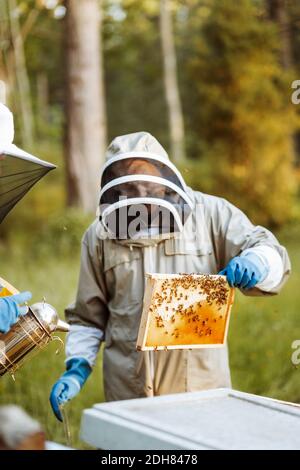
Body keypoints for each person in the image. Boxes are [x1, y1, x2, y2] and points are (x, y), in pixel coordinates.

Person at [50, 131, 290, 421]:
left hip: (200, 390)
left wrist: (258, 262)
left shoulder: (210, 213)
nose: (141, 196)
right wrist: (76, 371)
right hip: (127, 392)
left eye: (148, 184)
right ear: (114, 188)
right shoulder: (99, 236)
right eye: (130, 187)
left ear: (164, 177)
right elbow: (88, 318)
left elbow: (267, 248)